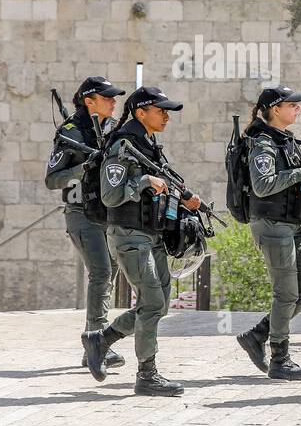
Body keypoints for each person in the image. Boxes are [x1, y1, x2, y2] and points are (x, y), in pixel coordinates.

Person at [82, 86, 202, 396]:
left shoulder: (148, 145)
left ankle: (102, 339)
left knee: (158, 305)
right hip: (129, 235)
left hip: (152, 233)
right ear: (140, 112)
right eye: (160, 110)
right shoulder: (122, 145)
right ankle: (147, 374)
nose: (166, 116)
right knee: (151, 303)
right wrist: (143, 181)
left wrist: (184, 197)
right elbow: (110, 195)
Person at [233, 86, 301, 379]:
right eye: (292, 105)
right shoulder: (262, 142)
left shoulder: (284, 140)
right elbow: (263, 185)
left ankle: (257, 335)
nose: (298, 109)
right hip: (272, 225)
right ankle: (280, 358)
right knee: (286, 293)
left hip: (294, 225)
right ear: (275, 109)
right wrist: (299, 175)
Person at [44, 75, 126, 370]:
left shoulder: (112, 129)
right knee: (101, 271)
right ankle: (95, 339)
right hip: (80, 212)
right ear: (89, 101)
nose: (114, 103)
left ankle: (96, 341)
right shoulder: (70, 133)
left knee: (111, 270)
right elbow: (53, 179)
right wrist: (85, 166)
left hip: (108, 212)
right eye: (107, 98)